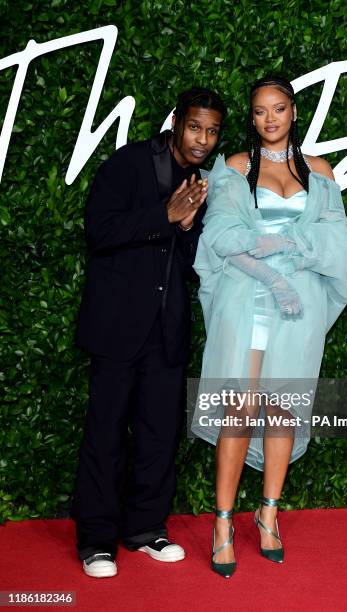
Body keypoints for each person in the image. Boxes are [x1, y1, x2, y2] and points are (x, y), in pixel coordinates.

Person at [191, 76, 347, 578]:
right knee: (237, 411)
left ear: (293, 112)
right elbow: (222, 237)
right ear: (252, 116)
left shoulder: (321, 173)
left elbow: (336, 246)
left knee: (283, 409)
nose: (270, 119)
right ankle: (223, 524)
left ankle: (268, 513)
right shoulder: (235, 169)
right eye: (260, 111)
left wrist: (283, 247)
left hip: (297, 311)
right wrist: (273, 271)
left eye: (278, 108)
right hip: (246, 306)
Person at [72, 86, 226, 578]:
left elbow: (189, 266)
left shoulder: (203, 184)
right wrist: (164, 216)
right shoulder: (128, 164)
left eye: (213, 131)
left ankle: (145, 529)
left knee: (161, 436)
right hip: (117, 327)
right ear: (177, 123)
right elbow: (98, 231)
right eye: (196, 126)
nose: (203, 139)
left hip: (166, 331)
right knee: (106, 433)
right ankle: (97, 540)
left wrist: (185, 232)